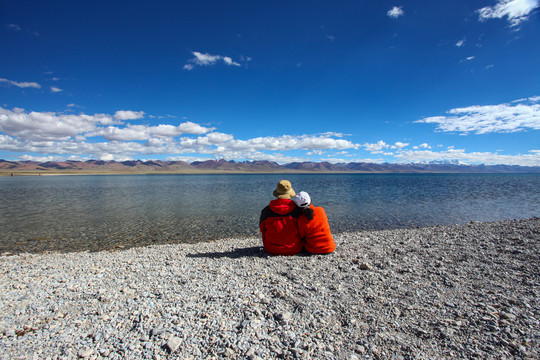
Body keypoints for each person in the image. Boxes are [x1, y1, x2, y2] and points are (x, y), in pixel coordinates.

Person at [259, 180, 303, 255]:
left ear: (277, 193)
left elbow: (262, 228)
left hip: (271, 248)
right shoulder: (298, 210)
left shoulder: (266, 210)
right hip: (295, 248)